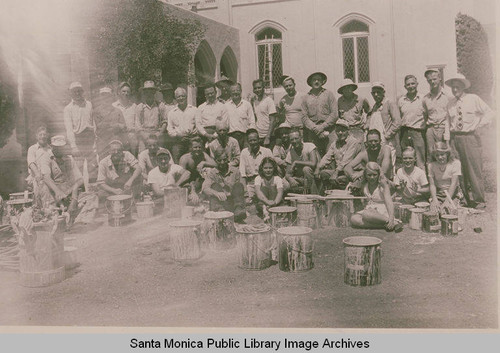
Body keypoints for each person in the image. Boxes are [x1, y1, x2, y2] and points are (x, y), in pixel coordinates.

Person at [444, 73, 494, 209]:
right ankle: (465, 199)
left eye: (457, 86)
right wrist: (448, 142)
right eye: (453, 87)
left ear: (463, 86)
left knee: (474, 168)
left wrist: (480, 125)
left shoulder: (473, 99)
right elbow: (447, 124)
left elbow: (490, 112)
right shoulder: (450, 103)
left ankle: (479, 200)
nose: (455, 89)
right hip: (456, 138)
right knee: (459, 169)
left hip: (470, 137)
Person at [39, 135, 97, 224]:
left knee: (92, 197)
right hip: (53, 193)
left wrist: (74, 197)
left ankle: (75, 220)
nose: (60, 149)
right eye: (57, 147)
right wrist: (58, 192)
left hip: (67, 191)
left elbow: (79, 180)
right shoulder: (45, 158)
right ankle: (54, 217)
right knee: (43, 186)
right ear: (51, 147)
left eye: (62, 147)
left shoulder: (69, 159)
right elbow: (46, 177)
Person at [350, 162, 402, 232]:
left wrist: (391, 217)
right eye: (369, 175)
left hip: (382, 212)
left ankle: (390, 221)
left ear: (379, 174)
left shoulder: (382, 184)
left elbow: (389, 201)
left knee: (366, 214)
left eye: (374, 175)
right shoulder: (364, 184)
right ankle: (387, 225)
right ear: (365, 175)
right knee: (354, 219)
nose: (372, 177)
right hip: (370, 210)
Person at [316, 119, 363, 192]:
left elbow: (347, 160)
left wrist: (336, 173)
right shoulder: (335, 143)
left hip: (352, 172)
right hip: (340, 171)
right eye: (338, 131)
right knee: (323, 173)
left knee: (341, 179)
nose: (340, 133)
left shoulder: (353, 142)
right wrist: (318, 168)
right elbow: (327, 157)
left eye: (343, 130)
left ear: (348, 131)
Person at [202, 148, 246, 223]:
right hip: (220, 202)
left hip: (233, 201)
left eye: (224, 160)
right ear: (215, 161)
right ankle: (219, 212)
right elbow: (205, 188)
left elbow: (242, 188)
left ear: (228, 160)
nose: (222, 162)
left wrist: (231, 194)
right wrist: (216, 193)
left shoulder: (235, 171)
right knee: (214, 186)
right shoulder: (212, 173)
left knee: (238, 185)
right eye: (219, 160)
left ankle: (238, 212)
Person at [366, 82, 401, 173]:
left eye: (378, 92)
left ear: (383, 92)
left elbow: (397, 122)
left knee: (389, 167)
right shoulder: (375, 107)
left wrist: (386, 136)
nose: (376, 95)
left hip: (387, 141)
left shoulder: (390, 103)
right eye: (374, 93)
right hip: (375, 142)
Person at [63, 81, 96, 175]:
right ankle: (81, 187)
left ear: (82, 91)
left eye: (79, 91)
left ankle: (92, 188)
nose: (77, 93)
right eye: (74, 91)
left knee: (92, 166)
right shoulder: (68, 109)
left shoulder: (89, 104)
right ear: (71, 93)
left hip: (90, 138)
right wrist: (73, 146)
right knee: (79, 167)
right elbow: (69, 129)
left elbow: (94, 123)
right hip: (78, 139)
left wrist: (95, 141)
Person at [301, 72, 337, 155]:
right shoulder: (306, 97)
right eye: (314, 80)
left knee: (330, 155)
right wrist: (315, 128)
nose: (316, 81)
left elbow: (334, 113)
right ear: (310, 82)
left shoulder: (329, 94)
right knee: (316, 156)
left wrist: (322, 127)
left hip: (329, 131)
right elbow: (304, 117)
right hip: (313, 132)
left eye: (319, 79)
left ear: (322, 81)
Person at [397, 75, 426, 169]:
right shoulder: (401, 100)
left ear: (417, 84)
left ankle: (422, 182)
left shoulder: (423, 98)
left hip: (418, 133)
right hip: (404, 133)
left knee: (420, 159)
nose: (411, 86)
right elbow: (399, 117)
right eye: (408, 84)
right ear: (405, 87)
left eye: (413, 83)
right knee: (406, 159)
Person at [239, 129, 274, 202]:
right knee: (247, 203)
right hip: (250, 184)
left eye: (254, 140)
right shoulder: (244, 152)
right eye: (250, 141)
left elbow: (274, 171)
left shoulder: (267, 151)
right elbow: (242, 175)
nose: (252, 143)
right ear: (248, 142)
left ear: (259, 140)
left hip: (264, 182)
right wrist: (245, 193)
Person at [179, 137, 216, 204]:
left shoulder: (203, 154)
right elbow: (182, 178)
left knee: (210, 171)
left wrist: (204, 163)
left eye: (199, 147)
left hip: (198, 180)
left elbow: (215, 164)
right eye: (195, 147)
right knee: (190, 198)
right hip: (187, 182)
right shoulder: (185, 158)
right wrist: (192, 190)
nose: (198, 149)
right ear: (190, 148)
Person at [422, 69, 451, 157]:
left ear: (440, 78)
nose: (432, 82)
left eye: (434, 79)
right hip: (430, 130)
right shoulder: (426, 98)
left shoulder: (448, 96)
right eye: (429, 80)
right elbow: (425, 115)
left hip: (444, 129)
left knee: (444, 154)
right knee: (431, 154)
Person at [428, 142, 463, 213]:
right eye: (437, 155)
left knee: (447, 211)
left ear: (447, 153)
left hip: (453, 194)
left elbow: (454, 184)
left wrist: (447, 201)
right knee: (434, 211)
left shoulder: (455, 163)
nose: (440, 157)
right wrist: (434, 200)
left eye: (442, 154)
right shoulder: (431, 165)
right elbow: (432, 184)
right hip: (439, 193)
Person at [167, 87, 199, 163]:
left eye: (183, 96)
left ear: (186, 97)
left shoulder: (194, 110)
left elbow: (199, 125)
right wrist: (178, 135)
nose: (181, 98)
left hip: (192, 140)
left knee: (195, 159)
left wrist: (194, 133)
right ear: (175, 98)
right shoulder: (171, 113)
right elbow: (170, 130)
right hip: (179, 141)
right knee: (176, 153)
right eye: (178, 96)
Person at [94, 87, 127, 158]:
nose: (105, 98)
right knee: (103, 162)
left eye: (108, 96)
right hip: (102, 141)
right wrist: (116, 125)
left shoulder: (117, 111)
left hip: (116, 140)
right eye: (103, 95)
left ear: (111, 97)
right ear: (100, 97)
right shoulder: (97, 111)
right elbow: (99, 126)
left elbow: (123, 127)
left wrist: (108, 125)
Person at [27, 126, 56, 208]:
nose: (43, 136)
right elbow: (31, 163)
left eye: (44, 134)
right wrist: (38, 175)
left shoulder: (51, 149)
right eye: (40, 134)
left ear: (48, 135)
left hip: (52, 177)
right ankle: (50, 209)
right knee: (43, 185)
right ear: (36, 136)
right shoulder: (32, 149)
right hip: (37, 178)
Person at [285, 128, 319, 194]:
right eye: (292, 139)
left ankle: (314, 197)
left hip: (312, 175)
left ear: (301, 138)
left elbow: (313, 163)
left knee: (306, 169)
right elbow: (287, 173)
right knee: (284, 183)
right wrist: (290, 179)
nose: (294, 141)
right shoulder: (290, 153)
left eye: (296, 138)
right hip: (299, 178)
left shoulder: (309, 146)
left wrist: (296, 162)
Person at [336, 78, 370, 142]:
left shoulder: (361, 99)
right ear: (342, 91)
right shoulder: (339, 101)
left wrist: (367, 124)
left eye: (349, 87)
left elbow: (369, 112)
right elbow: (337, 116)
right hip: (345, 131)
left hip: (358, 129)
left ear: (352, 88)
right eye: (344, 88)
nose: (347, 90)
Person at [225, 83, 256, 150]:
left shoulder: (247, 104)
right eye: (233, 91)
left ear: (241, 91)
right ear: (230, 93)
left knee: (246, 154)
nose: (235, 92)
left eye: (237, 90)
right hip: (231, 136)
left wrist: (249, 137)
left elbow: (252, 121)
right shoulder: (226, 106)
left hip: (244, 136)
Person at [113, 82, 139, 156]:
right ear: (119, 92)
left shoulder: (134, 106)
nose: (126, 93)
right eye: (123, 91)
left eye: (128, 91)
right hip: (118, 137)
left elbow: (137, 124)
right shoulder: (114, 106)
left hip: (132, 138)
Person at [250, 79, 278, 146]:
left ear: (263, 88)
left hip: (269, 136)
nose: (257, 90)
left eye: (259, 87)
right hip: (259, 136)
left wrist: (268, 137)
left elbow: (273, 120)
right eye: (255, 88)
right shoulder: (255, 102)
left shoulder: (269, 101)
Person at [135, 80, 161, 152]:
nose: (149, 94)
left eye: (151, 91)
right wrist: (145, 136)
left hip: (157, 134)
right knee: (143, 154)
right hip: (144, 135)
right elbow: (137, 125)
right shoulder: (140, 107)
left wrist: (159, 134)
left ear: (154, 92)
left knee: (160, 154)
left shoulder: (160, 106)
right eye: (146, 92)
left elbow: (164, 121)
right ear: (144, 93)